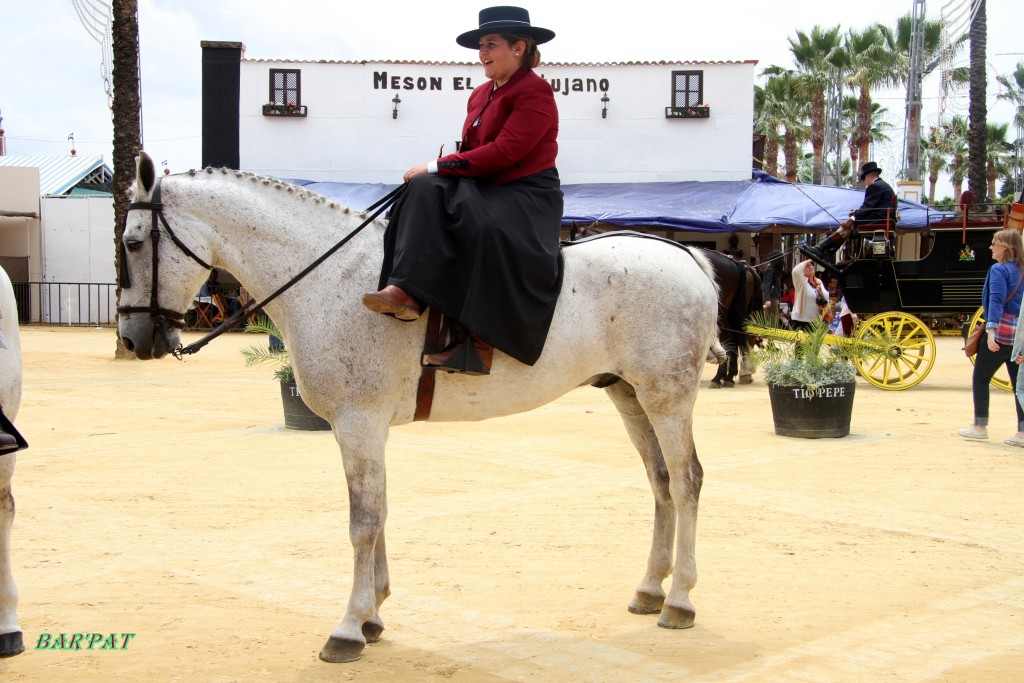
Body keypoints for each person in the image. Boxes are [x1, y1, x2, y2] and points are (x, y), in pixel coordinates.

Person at [361, 6, 562, 376]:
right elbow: (472, 150)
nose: (482, 53)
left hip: (526, 194)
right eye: (480, 45)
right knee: (422, 188)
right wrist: (435, 170)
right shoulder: (481, 93)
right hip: (486, 184)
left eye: (491, 44)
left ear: (519, 48)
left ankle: (476, 344)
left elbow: (506, 153)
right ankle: (404, 290)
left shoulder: (536, 92)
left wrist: (436, 165)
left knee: (479, 229)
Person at [959, 228, 1024, 441]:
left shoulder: (999, 270)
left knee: (980, 378)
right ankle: (1022, 432)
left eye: (994, 243)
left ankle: (980, 427)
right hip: (1019, 333)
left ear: (1004, 247)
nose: (991, 247)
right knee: (1019, 386)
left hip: (1001, 333)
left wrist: (991, 331)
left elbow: (996, 300)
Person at [801, 161, 897, 263]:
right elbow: (872, 206)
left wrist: (852, 219)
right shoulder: (883, 185)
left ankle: (822, 249)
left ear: (868, 176)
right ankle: (826, 251)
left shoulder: (875, 186)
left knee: (846, 227)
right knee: (848, 226)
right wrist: (856, 212)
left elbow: (867, 207)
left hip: (877, 220)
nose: (866, 182)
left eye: (865, 179)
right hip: (880, 218)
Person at [790, 259, 829, 332]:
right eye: (807, 266)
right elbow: (795, 271)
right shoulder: (801, 282)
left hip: (817, 320)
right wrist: (810, 259)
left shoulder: (818, 282)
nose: (810, 266)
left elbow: (826, 297)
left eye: (811, 265)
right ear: (802, 271)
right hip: (801, 319)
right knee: (802, 343)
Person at [760, 249, 783, 324]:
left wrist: (777, 297)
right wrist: (768, 299)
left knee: (774, 317)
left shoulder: (774, 269)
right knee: (771, 318)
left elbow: (776, 285)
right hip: (770, 296)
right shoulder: (770, 269)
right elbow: (767, 284)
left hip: (773, 296)